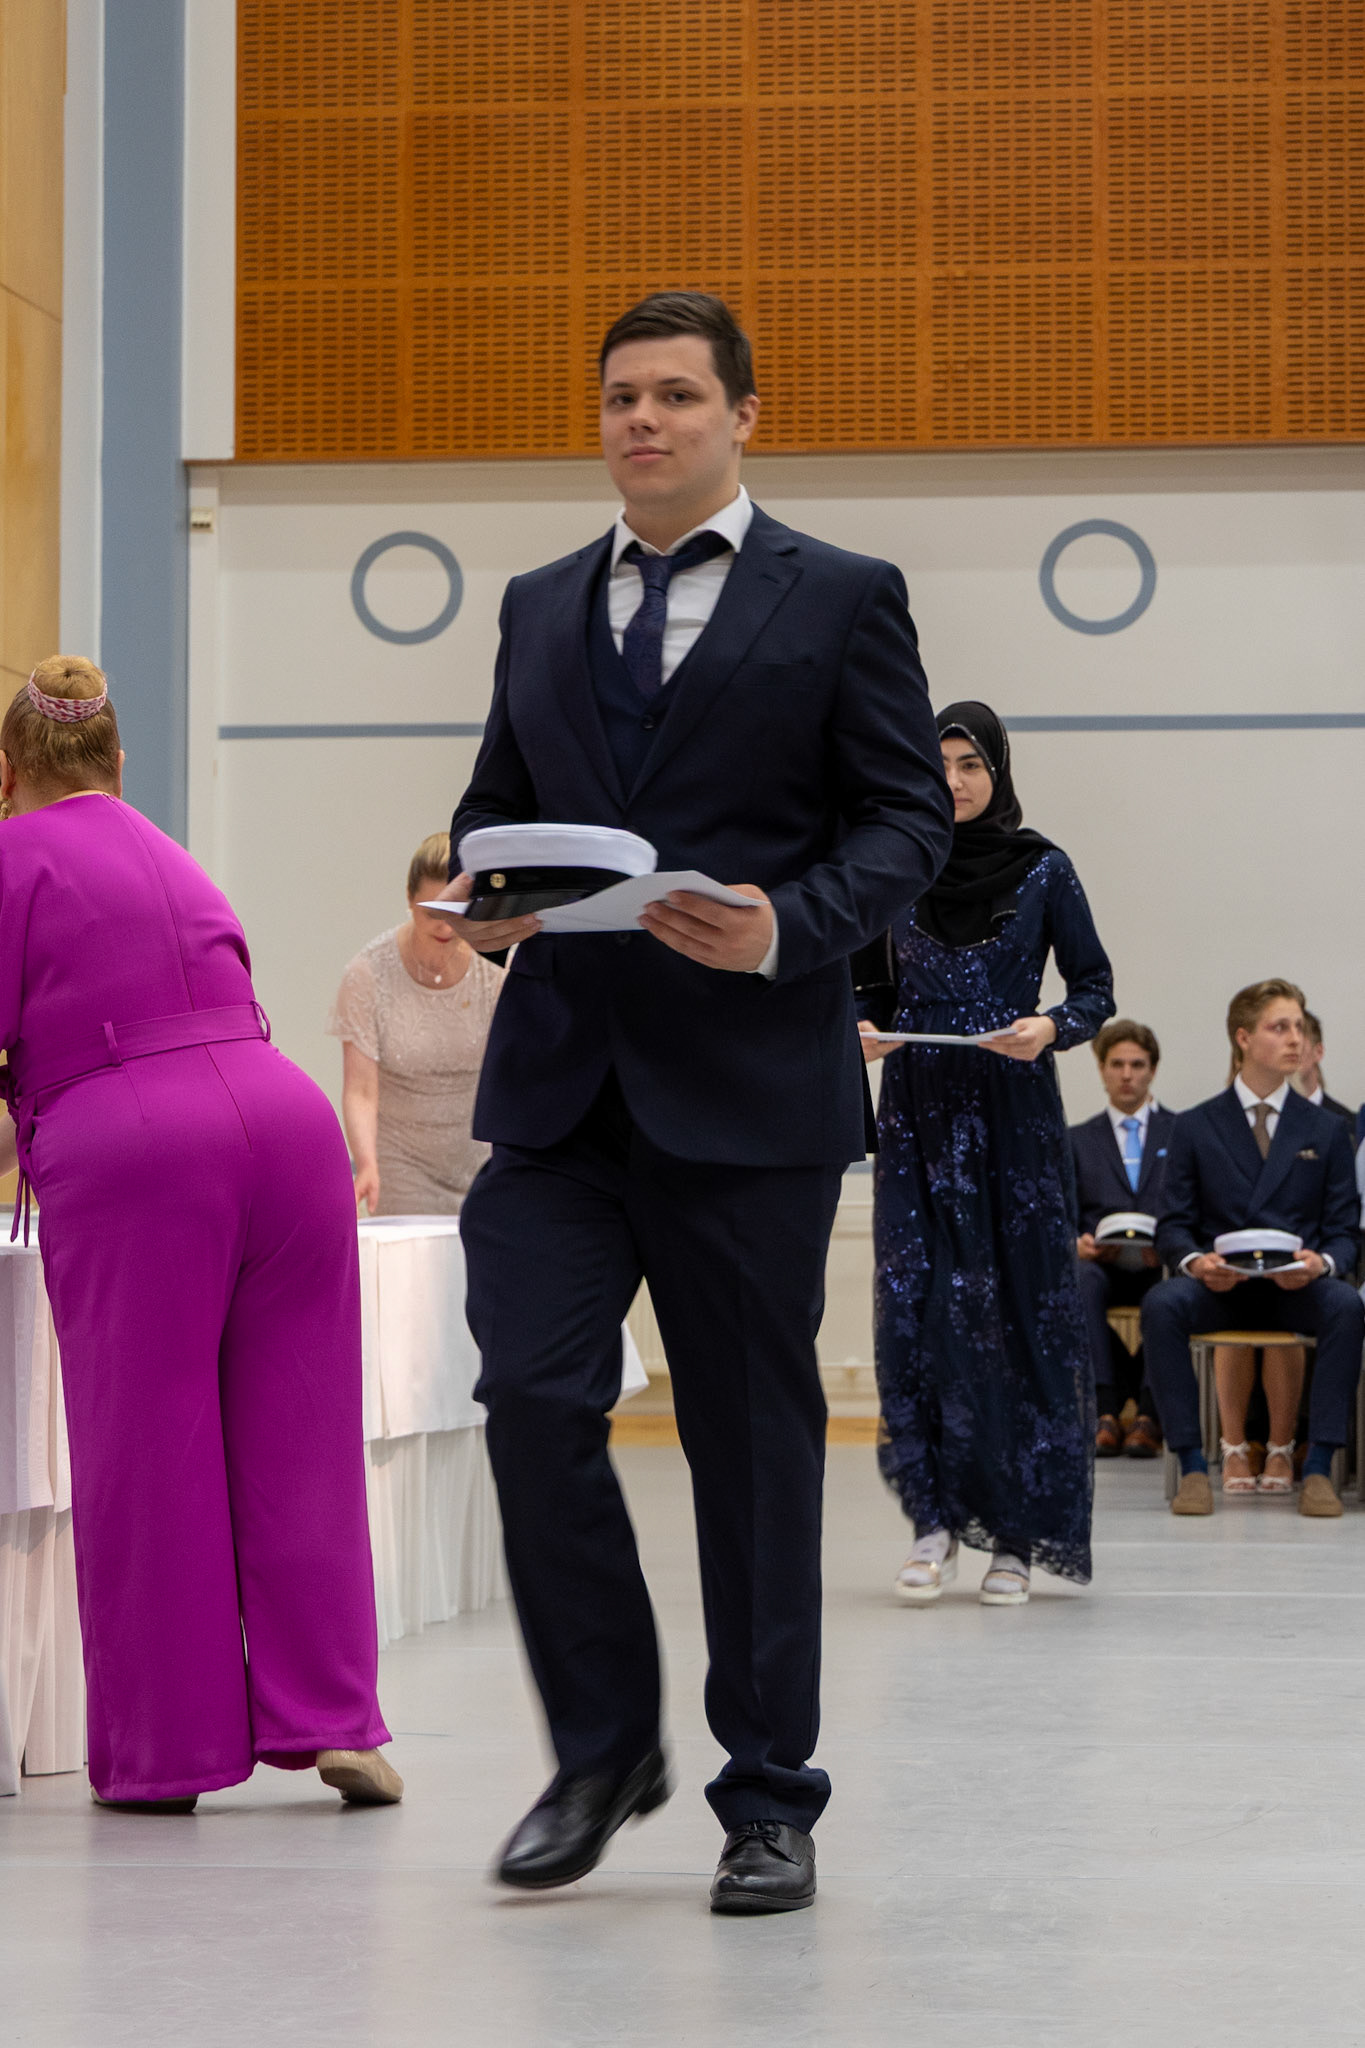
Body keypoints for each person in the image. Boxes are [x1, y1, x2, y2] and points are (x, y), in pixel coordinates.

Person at [440, 291, 952, 1914]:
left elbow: (905, 821)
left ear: (743, 414)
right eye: (619, 398)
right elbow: (492, 803)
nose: (641, 421)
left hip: (750, 1094)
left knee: (748, 1451)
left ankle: (769, 1795)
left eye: (673, 395)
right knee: (532, 1398)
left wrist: (790, 924)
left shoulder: (844, 596)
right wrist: (490, 896)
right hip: (559, 1094)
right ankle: (602, 1753)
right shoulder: (536, 604)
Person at [0, 658, 398, 1812]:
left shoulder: (12, 856)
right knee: (302, 1437)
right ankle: (339, 1720)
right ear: (119, 767)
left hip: (138, 1149)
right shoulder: (177, 857)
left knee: (150, 1445)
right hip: (289, 1129)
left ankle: (166, 1752)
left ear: (8, 774)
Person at [862, 702, 1114, 1608]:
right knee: (915, 1309)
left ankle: (1014, 1534)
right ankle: (932, 1522)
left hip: (1012, 1116)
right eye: (939, 765)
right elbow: (862, 987)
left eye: (971, 765)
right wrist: (862, 1031)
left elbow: (1094, 988)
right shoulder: (892, 866)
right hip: (918, 1116)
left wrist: (1049, 1026)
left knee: (1015, 1315)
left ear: (997, 773)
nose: (955, 782)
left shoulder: (1044, 868)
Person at [1144, 978, 1364, 1518]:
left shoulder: (1327, 1129)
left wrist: (1322, 1263)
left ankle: (1319, 1468)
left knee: (1345, 1304)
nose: (1295, 1039)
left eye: (1299, 1027)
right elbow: (1172, 1227)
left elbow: (1345, 1231)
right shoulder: (1195, 1125)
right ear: (1243, 1038)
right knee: (1162, 1305)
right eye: (1279, 1027)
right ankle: (1192, 1465)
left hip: (1295, 1288)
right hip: (1222, 1288)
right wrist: (1197, 1263)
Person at [328, 831, 504, 1214]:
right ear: (409, 899)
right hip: (401, 1166)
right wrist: (366, 1163)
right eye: (432, 913)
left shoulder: (494, 971)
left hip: (481, 1164)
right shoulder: (368, 974)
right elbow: (360, 1091)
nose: (445, 928)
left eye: (457, 914)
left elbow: (514, 1075)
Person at [1070, 1019, 1173, 1458]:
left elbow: (1196, 1204)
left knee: (1170, 1296)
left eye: (1137, 1065)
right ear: (1101, 1069)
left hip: (1160, 1262)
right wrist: (1077, 1242)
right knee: (1078, 1281)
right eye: (1117, 1065)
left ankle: (1148, 1413)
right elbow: (1062, 1211)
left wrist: (1169, 1246)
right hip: (1101, 1262)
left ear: (1152, 1069)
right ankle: (1106, 1409)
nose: (1127, 1075)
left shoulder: (1182, 1132)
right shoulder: (1077, 1139)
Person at [1293, 1010, 1356, 1133]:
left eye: (1297, 1044)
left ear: (1318, 1052)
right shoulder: (1260, 1118)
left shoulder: (1347, 1124)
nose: (1288, 1051)